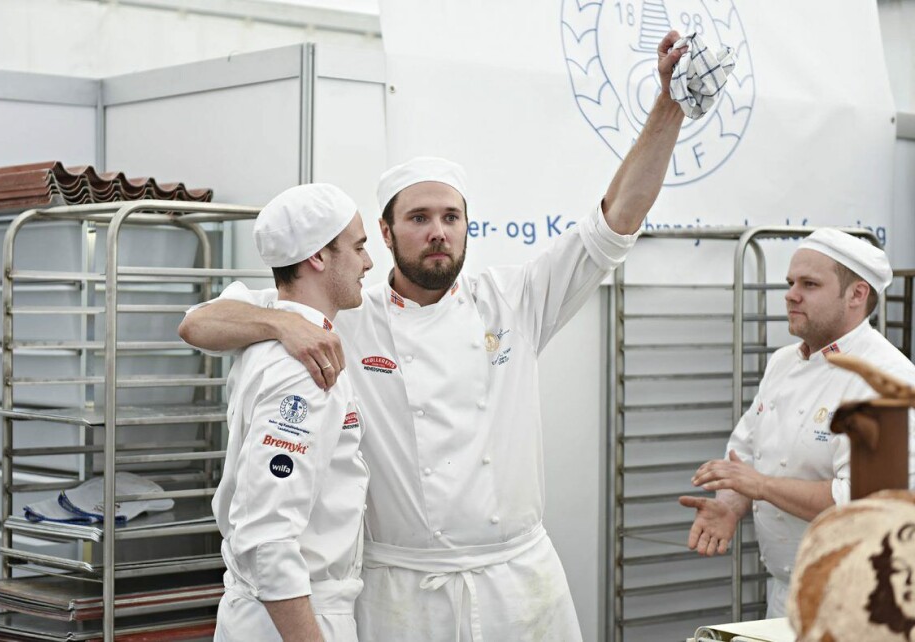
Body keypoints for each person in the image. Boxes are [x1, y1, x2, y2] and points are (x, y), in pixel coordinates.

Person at [182, 30, 689, 641]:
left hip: (519, 583)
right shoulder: (347, 308)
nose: (438, 232)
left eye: (451, 217)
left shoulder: (515, 301)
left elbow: (616, 219)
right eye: (418, 219)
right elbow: (198, 323)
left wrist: (668, 105)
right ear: (387, 234)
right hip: (400, 592)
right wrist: (279, 321)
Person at [680, 228, 915, 618]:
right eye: (791, 282)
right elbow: (747, 454)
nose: (791, 294)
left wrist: (763, 487)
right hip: (786, 592)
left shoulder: (887, 381)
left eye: (809, 284)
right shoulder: (784, 362)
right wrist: (730, 505)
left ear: (857, 295)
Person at [212, 183, 374, 642]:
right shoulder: (304, 368)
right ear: (318, 257)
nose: (369, 263)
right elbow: (267, 536)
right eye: (359, 247)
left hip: (272, 612)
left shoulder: (273, 332)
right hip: (291, 618)